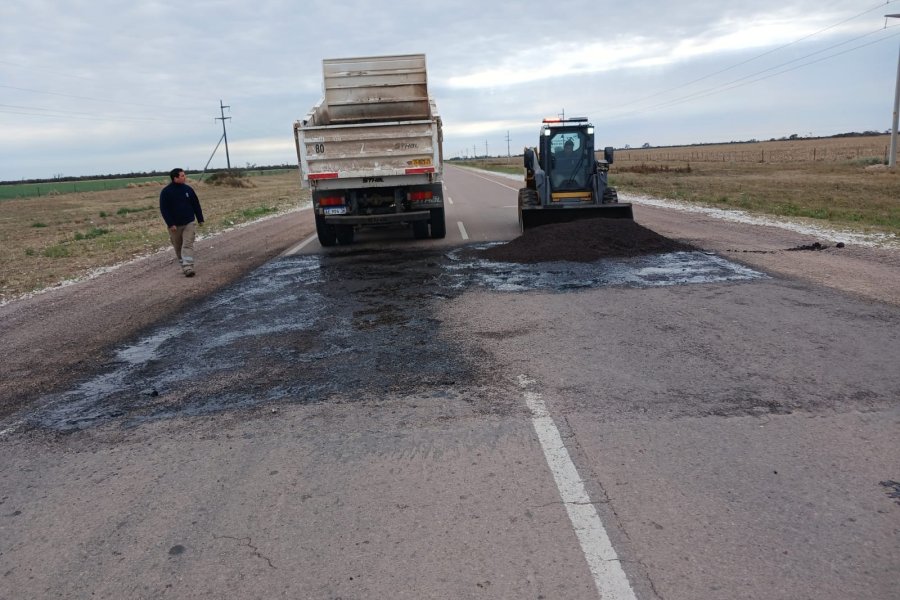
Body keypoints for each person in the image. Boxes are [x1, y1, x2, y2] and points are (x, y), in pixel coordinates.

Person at [159, 168, 204, 277]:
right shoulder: (166, 192)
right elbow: (164, 209)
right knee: (178, 247)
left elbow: (196, 204)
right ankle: (184, 267)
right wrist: (170, 224)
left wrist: (200, 218)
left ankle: (188, 266)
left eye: (184, 175)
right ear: (175, 178)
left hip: (189, 222)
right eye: (182, 176)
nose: (185, 177)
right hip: (174, 225)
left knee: (187, 244)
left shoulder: (188, 189)